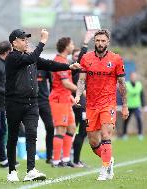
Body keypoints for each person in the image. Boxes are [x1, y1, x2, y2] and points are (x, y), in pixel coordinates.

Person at [5, 28, 80, 182]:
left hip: (32, 102)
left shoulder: (30, 57)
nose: (26, 41)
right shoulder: (12, 57)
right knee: (12, 136)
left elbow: (49, 64)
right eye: (23, 39)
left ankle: (31, 170)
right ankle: (12, 170)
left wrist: (68, 66)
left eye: (27, 39)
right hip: (14, 102)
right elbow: (31, 58)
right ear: (14, 42)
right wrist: (43, 41)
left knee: (31, 134)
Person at [75, 29, 129, 181]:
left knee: (106, 135)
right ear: (94, 42)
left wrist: (124, 105)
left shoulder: (116, 59)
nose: (100, 43)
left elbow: (122, 84)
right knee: (93, 141)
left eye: (103, 41)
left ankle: (104, 170)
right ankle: (108, 160)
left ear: (108, 42)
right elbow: (81, 80)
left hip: (108, 104)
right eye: (97, 40)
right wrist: (78, 95)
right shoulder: (86, 58)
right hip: (91, 105)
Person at [49, 37, 77, 167]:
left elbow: (65, 84)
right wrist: (82, 90)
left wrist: (71, 96)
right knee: (60, 129)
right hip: (59, 100)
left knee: (71, 128)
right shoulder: (59, 61)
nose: (73, 45)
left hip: (65, 99)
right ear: (66, 46)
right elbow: (65, 83)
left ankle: (65, 159)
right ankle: (56, 160)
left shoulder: (65, 61)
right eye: (71, 43)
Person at [72, 31, 94, 167]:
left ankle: (74, 159)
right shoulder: (74, 69)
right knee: (80, 132)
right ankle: (73, 160)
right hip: (78, 105)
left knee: (78, 132)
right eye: (75, 56)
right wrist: (86, 41)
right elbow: (82, 57)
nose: (78, 58)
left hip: (81, 104)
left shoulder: (84, 71)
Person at [36, 69, 54, 164]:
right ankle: (31, 154)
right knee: (31, 129)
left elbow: (52, 83)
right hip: (30, 102)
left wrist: (51, 95)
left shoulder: (43, 67)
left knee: (50, 126)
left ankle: (49, 156)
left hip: (44, 101)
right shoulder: (25, 64)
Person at [123, 72, 146, 140]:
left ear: (136, 77)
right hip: (129, 106)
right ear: (130, 77)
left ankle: (140, 134)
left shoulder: (139, 85)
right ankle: (124, 134)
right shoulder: (127, 84)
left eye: (134, 76)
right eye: (132, 76)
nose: (133, 77)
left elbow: (142, 95)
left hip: (136, 106)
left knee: (139, 119)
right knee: (126, 121)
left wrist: (143, 105)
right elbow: (123, 95)